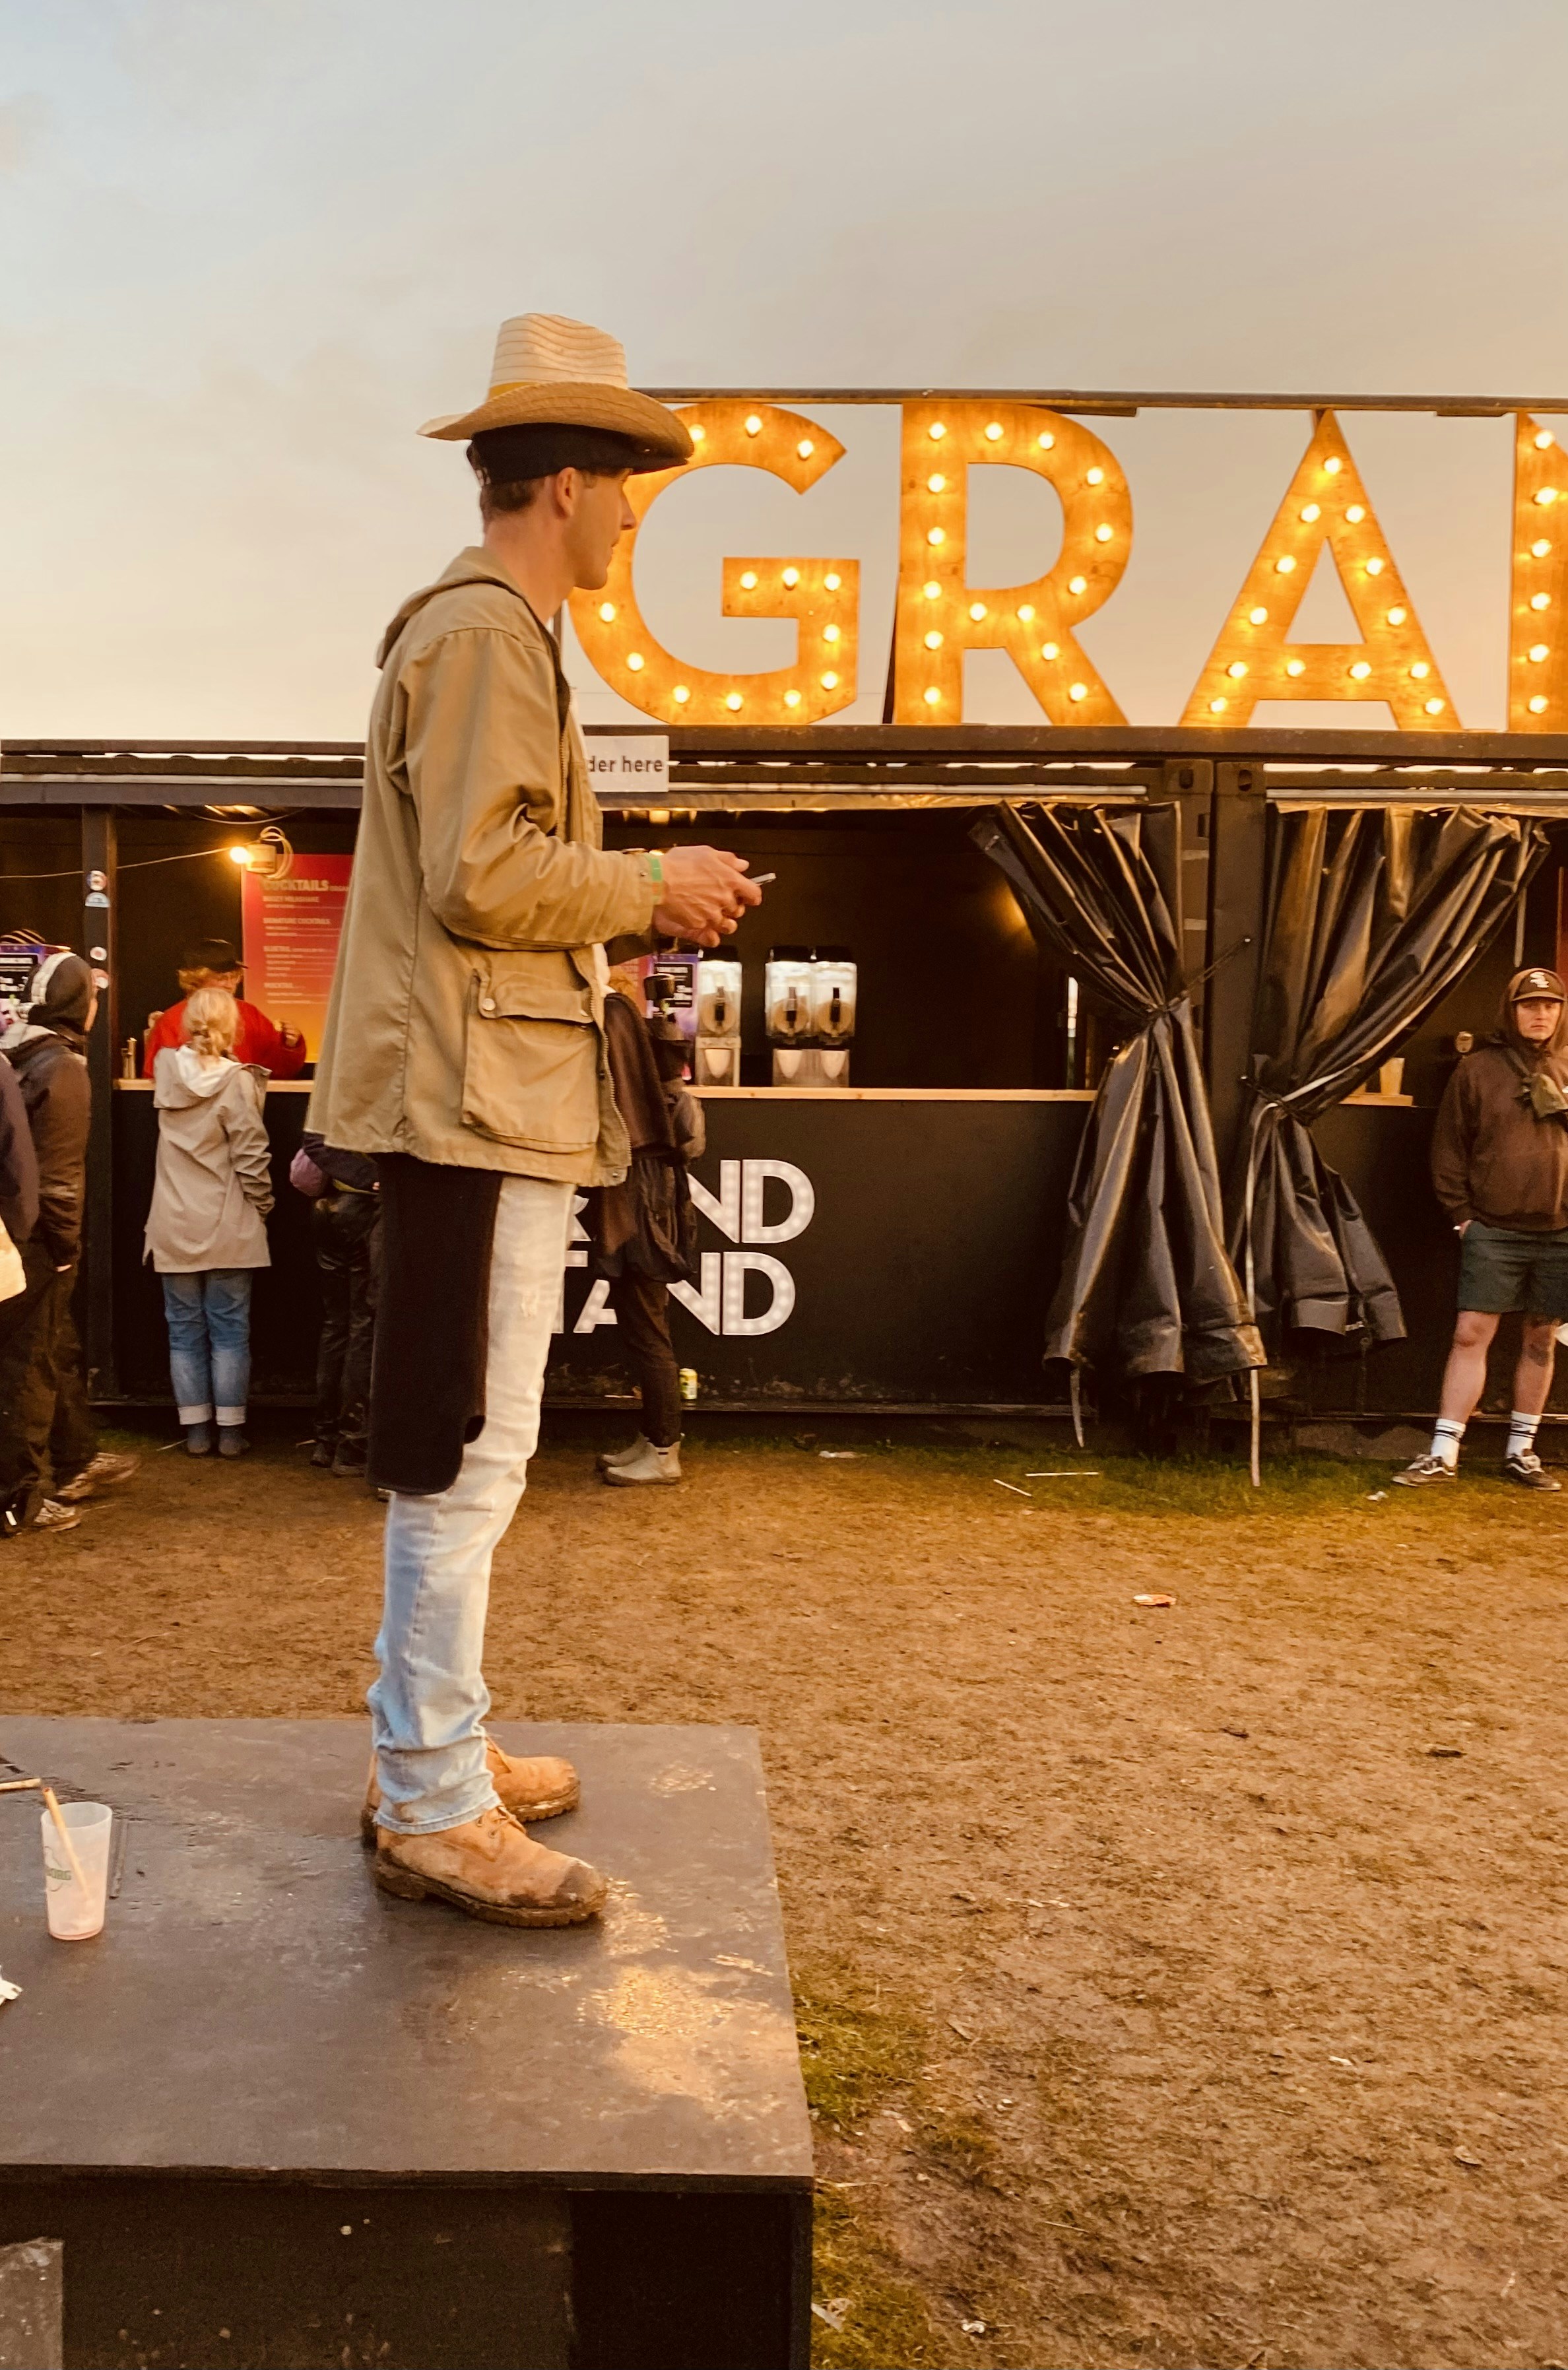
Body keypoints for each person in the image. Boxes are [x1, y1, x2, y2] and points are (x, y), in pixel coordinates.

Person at [309, 310, 761, 1929]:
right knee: (467, 1455)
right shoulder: (492, 633)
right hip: (471, 1102)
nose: (636, 511)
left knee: (463, 1446)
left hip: (472, 1095)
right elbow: (485, 874)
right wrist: (657, 884)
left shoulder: (483, 630)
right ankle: (430, 1792)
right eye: (628, 480)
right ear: (564, 482)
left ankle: (429, 1751)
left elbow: (472, 870)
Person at [1398, 966, 1568, 1491]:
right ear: (1510, 1010)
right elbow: (1448, 1147)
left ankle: (1523, 1451)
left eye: (1551, 1005)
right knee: (1471, 1333)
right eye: (1529, 1005)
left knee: (1541, 1338)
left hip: (1561, 1231)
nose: (1540, 1014)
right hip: (1492, 1226)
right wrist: (1462, 1216)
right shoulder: (1478, 1070)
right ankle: (1443, 1452)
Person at [0, 953, 137, 1532]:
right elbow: (58, 1177)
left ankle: (68, 1462)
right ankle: (23, 1498)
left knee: (44, 1356)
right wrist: (64, 1249)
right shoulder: (65, 1069)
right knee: (30, 1366)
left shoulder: (20, 1055)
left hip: (13, 1235)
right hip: (38, 1240)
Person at [145, 986, 274, 1458]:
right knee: (230, 1330)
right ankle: (232, 1432)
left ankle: (196, 1431)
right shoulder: (238, 1081)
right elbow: (251, 1154)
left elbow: (162, 1057)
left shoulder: (164, 1070)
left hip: (172, 1221)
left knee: (182, 1329)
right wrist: (262, 1204)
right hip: (227, 1221)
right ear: (234, 1027)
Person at [589, 973, 705, 1486]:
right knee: (644, 1330)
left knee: (649, 1332)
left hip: (644, 1212)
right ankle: (653, 1437)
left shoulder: (658, 1108)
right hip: (645, 1207)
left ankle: (663, 1449)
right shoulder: (666, 1100)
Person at [293, 1128, 381, 1477]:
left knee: (337, 1325)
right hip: (366, 1212)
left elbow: (315, 1141)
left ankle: (325, 1440)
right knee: (364, 1325)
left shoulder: (338, 1078)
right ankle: (353, 1443)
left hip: (327, 1206)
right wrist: (373, 1178)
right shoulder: (386, 1079)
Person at [143, 937, 306, 1080]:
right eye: (221, 978)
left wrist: (290, 1046)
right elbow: (157, 1077)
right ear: (197, 979)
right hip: (188, 1111)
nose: (230, 985)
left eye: (234, 977)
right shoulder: (172, 1020)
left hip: (237, 1108)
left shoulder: (251, 1015)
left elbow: (278, 1070)